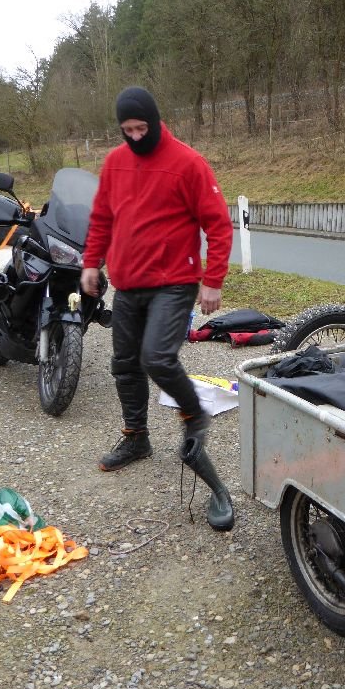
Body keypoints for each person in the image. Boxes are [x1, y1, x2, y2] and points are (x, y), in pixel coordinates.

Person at [81, 86, 235, 531]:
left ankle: (194, 413)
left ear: (154, 120)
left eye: (141, 128)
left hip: (174, 282)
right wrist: (91, 262)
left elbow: (218, 224)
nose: (134, 137)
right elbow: (102, 218)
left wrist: (213, 279)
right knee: (124, 364)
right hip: (129, 283)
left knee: (157, 358)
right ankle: (136, 438)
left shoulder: (188, 163)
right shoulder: (115, 162)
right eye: (126, 130)